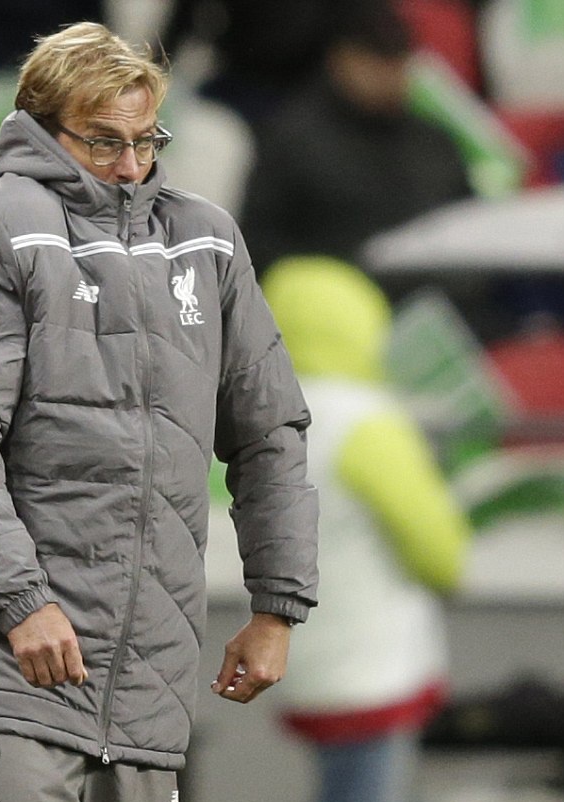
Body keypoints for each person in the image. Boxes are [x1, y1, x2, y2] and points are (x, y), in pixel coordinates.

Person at [0, 21, 319, 801]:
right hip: (6, 663)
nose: (130, 166)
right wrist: (22, 605)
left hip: (145, 688)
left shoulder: (207, 241)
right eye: (103, 142)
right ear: (42, 129)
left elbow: (270, 433)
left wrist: (276, 607)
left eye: (146, 140)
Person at [260, 255, 472, 802]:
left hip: (297, 649)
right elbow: (433, 542)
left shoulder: (262, 413)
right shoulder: (366, 421)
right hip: (372, 661)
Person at [239, 1, 474, 276]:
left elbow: (468, 223)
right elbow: (258, 245)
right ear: (341, 58)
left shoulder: (433, 142)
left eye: (398, 63)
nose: (388, 76)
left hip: (434, 289)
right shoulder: (291, 140)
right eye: (375, 62)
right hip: (332, 290)